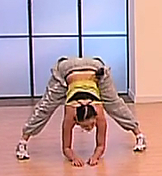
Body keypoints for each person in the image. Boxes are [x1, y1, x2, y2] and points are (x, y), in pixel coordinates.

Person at [15, 56, 147, 166]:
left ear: (95, 116)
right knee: (46, 107)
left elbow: (101, 145)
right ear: (76, 120)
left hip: (95, 69)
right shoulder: (70, 114)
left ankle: (139, 135)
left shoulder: (99, 114)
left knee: (115, 104)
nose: (90, 128)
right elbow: (66, 148)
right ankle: (23, 142)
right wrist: (73, 158)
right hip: (67, 70)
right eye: (86, 127)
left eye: (91, 124)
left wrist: (95, 157)